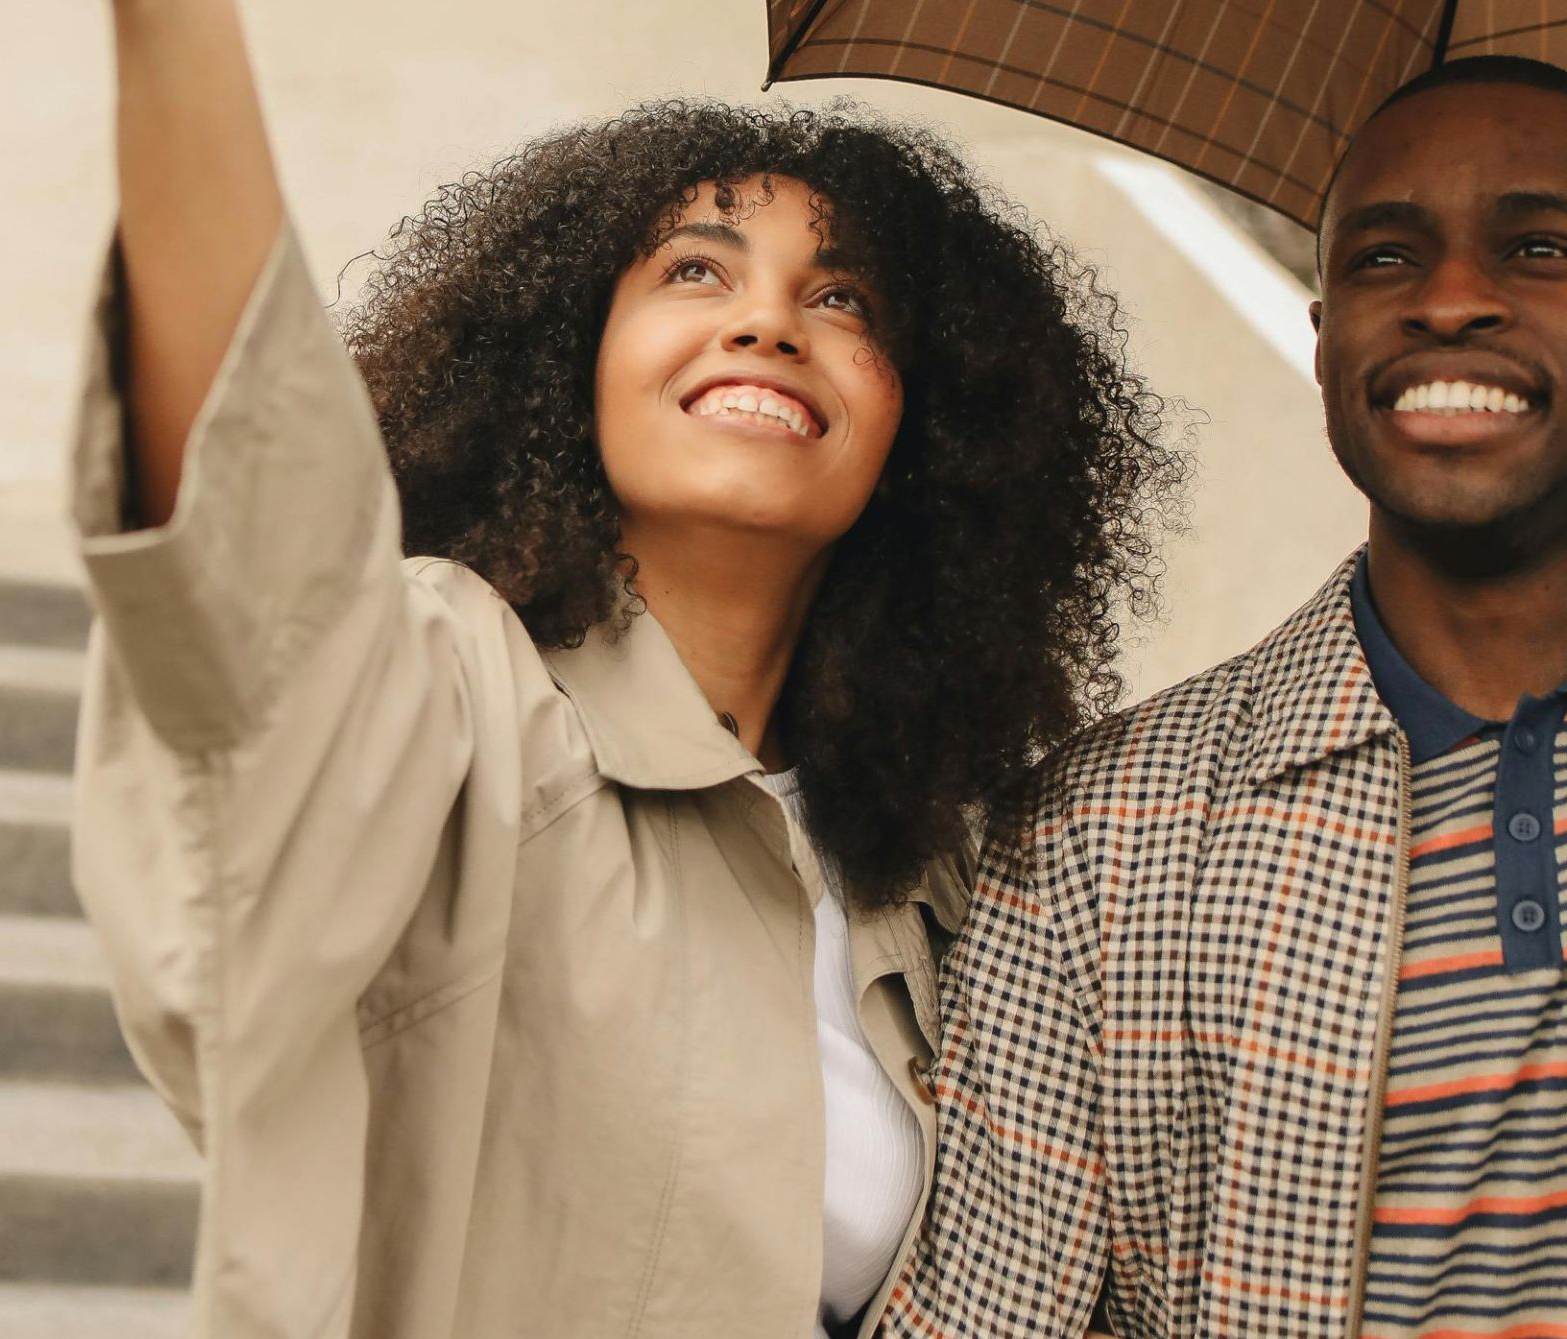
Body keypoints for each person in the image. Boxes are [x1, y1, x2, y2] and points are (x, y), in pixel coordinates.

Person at [74, 2, 1183, 1336]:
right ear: (569, 359)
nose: (769, 322)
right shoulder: (455, 693)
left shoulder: (936, 864)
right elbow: (249, 548)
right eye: (697, 271)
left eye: (842, 298)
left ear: (926, 424)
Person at [910, 54, 1567, 1339]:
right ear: (1324, 349)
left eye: (1539, 247)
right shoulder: (1099, 838)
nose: (1450, 300)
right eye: (1385, 256)